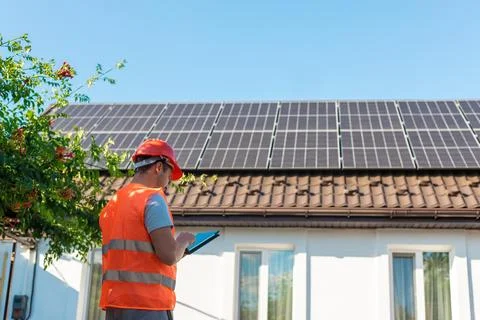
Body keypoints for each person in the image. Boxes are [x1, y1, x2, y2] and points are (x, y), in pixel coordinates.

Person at [99, 139, 195, 320]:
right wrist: (183, 241)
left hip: (115, 306)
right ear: (158, 167)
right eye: (168, 175)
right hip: (148, 306)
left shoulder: (113, 204)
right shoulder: (152, 200)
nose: (167, 183)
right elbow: (169, 256)